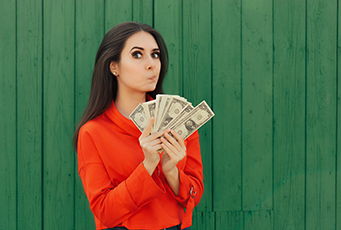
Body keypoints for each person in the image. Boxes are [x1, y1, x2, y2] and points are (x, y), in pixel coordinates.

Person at [72, 21, 204, 230]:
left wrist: (171, 172)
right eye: (137, 54)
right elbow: (105, 212)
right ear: (113, 66)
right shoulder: (93, 132)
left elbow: (194, 195)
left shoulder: (180, 121)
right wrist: (148, 165)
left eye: (155, 54)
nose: (151, 64)